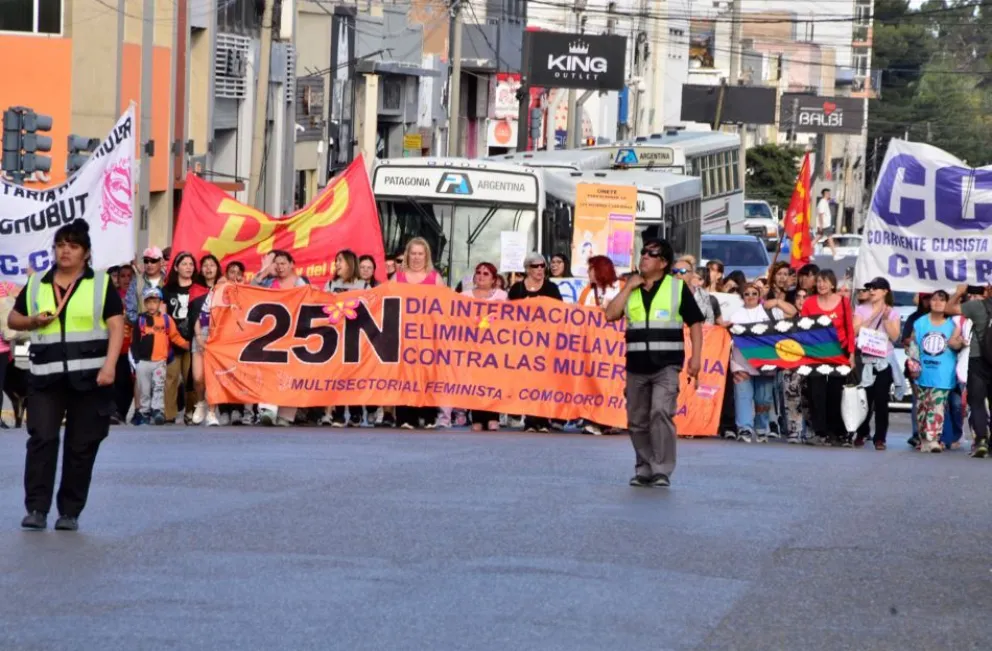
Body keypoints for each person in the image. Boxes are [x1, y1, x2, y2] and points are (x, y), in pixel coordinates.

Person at [7, 220, 125, 531]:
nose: (65, 251)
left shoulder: (100, 283)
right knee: (42, 440)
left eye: (73, 246)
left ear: (86, 253)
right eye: (60, 245)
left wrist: (110, 365)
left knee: (81, 446)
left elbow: (116, 326)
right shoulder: (38, 283)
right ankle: (37, 508)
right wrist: (33, 321)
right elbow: (13, 319)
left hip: (90, 379)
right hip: (45, 378)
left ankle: (69, 512)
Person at [604, 238, 704, 488]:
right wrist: (628, 287)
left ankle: (661, 469)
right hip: (636, 366)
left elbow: (695, 323)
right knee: (637, 420)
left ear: (663, 262)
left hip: (666, 365)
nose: (645, 257)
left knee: (660, 412)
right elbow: (610, 314)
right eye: (643, 252)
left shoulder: (676, 288)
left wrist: (696, 357)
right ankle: (644, 468)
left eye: (651, 254)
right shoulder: (631, 288)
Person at [251, 250, 308, 426]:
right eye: (277, 263)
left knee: (292, 375)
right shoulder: (268, 282)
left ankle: (286, 415)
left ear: (292, 265)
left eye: (283, 263)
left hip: (294, 336)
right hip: (271, 337)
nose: (280, 267)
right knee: (268, 372)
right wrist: (264, 272)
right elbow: (250, 292)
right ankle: (268, 409)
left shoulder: (301, 283)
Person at [508, 252, 564, 432]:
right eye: (535, 266)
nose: (540, 269)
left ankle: (543, 420)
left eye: (542, 266)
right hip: (522, 342)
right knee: (527, 381)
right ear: (527, 269)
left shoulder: (551, 288)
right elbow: (507, 313)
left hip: (545, 342)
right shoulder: (517, 289)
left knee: (543, 381)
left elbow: (560, 312)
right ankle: (530, 421)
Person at [394, 238, 445, 430]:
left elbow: (445, 307)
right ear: (407, 255)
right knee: (404, 375)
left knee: (428, 375)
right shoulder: (397, 278)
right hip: (403, 336)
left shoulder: (435, 279)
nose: (416, 257)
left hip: (428, 336)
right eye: (413, 253)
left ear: (426, 256)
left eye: (420, 254)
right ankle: (405, 417)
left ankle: (429, 415)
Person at [800, 269, 855, 446]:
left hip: (838, 354)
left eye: (825, 281)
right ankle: (820, 431)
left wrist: (852, 354)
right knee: (816, 393)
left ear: (832, 284)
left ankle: (836, 432)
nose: (821, 284)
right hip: (815, 354)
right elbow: (803, 329)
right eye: (819, 281)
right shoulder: (809, 303)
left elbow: (849, 329)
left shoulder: (843, 302)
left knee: (835, 393)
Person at [728, 282, 785, 443]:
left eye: (754, 293)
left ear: (760, 295)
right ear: (742, 296)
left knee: (763, 398)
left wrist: (777, 302)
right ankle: (744, 428)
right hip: (741, 361)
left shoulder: (771, 312)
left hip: (765, 361)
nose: (751, 296)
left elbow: (792, 314)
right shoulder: (735, 314)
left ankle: (761, 428)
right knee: (743, 396)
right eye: (747, 294)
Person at [907, 290, 963, 453]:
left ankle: (933, 439)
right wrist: (913, 366)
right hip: (923, 373)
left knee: (937, 406)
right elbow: (913, 346)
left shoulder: (953, 324)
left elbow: (957, 344)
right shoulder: (920, 322)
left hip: (943, 374)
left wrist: (960, 342)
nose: (938, 303)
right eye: (934, 299)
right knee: (922, 407)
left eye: (942, 299)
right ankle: (924, 439)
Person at [852, 277, 901, 450]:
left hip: (883, 360)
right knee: (864, 399)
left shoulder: (892, 312)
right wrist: (873, 316)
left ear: (885, 291)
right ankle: (861, 432)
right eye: (870, 288)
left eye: (875, 288)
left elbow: (895, 337)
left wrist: (886, 319)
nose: (872, 291)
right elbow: (854, 331)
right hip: (865, 359)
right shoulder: (861, 309)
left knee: (881, 400)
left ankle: (880, 438)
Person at [322, 249, 369, 427]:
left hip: (356, 337)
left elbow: (373, 306)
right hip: (335, 337)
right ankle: (339, 413)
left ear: (350, 263)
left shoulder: (363, 285)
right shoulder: (330, 284)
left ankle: (356, 413)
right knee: (338, 376)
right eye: (336, 260)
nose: (337, 264)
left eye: (340, 260)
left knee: (355, 375)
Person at [131, 287, 189, 425]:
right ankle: (144, 412)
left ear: (160, 303)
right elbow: (134, 341)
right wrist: (136, 359)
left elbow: (174, 336)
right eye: (149, 302)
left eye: (155, 302)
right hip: (143, 362)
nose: (152, 305)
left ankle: (158, 410)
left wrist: (187, 345)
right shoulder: (140, 320)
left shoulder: (166, 320)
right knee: (144, 389)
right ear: (145, 303)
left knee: (159, 386)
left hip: (160, 361)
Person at [461, 262, 508, 432]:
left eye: (486, 273)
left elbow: (508, 319)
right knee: (475, 382)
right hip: (472, 345)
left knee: (492, 381)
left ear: (494, 279)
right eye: (478, 272)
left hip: (493, 346)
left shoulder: (502, 296)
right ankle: (477, 418)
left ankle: (493, 417)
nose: (481, 276)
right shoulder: (464, 295)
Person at [950, 284, 992, 457]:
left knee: (977, 402)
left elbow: (949, 308)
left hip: (978, 358)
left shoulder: (977, 306)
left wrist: (959, 292)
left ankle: (981, 440)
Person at [162, 252, 198, 424]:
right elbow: (163, 316)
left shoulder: (198, 289)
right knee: (171, 378)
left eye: (191, 264)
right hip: (172, 341)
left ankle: (191, 413)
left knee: (192, 379)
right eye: (184, 264)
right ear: (176, 267)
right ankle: (169, 414)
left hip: (194, 341)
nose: (188, 267)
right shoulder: (167, 290)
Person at [124, 246, 166, 322]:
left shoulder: (168, 280)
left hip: (165, 327)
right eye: (146, 261)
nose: (149, 264)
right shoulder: (136, 282)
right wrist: (144, 324)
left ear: (161, 262)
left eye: (153, 261)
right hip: (141, 327)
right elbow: (130, 310)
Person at [816, 189, 842, 260]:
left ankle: (806, 253)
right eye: (828, 193)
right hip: (825, 225)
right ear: (825, 194)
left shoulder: (825, 202)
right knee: (830, 238)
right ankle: (835, 254)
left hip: (825, 224)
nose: (829, 195)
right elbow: (821, 214)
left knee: (817, 238)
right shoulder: (822, 202)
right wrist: (821, 225)